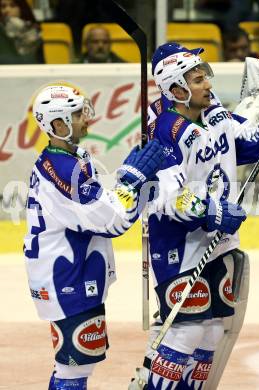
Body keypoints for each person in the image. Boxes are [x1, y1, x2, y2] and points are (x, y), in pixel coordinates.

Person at [129, 42, 259, 389]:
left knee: (210, 335)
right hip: (179, 243)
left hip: (218, 239)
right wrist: (212, 210)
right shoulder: (164, 130)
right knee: (187, 332)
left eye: (205, 75)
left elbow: (248, 147)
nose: (208, 82)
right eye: (198, 77)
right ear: (176, 88)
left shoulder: (213, 111)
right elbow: (166, 195)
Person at [23, 83, 165, 390]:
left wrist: (133, 181)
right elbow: (111, 220)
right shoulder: (62, 169)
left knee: (72, 366)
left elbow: (104, 200)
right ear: (57, 124)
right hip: (66, 276)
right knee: (74, 370)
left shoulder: (71, 158)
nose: (86, 119)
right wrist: (133, 178)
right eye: (77, 114)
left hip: (70, 272)